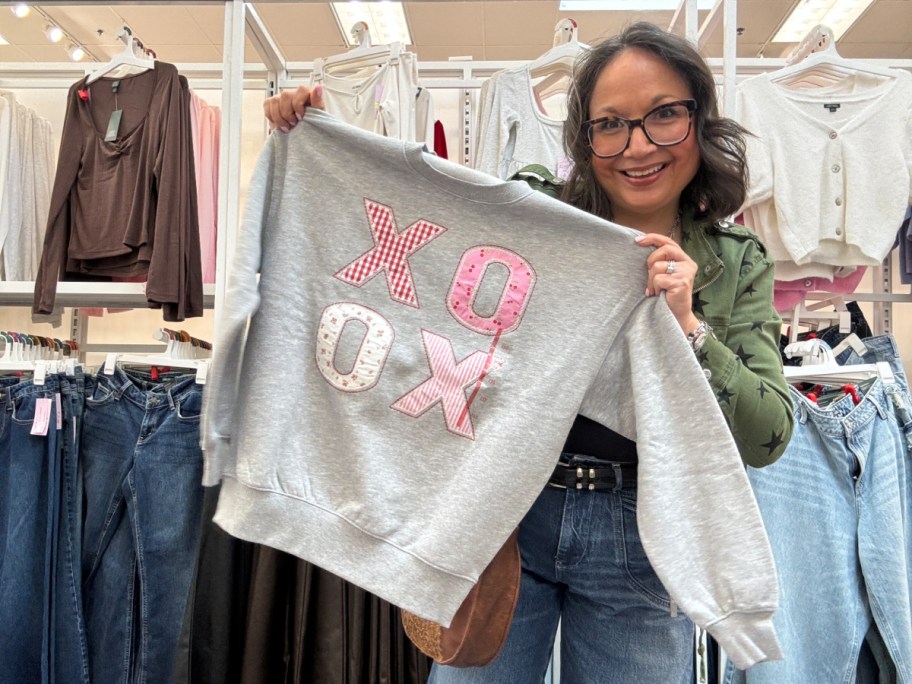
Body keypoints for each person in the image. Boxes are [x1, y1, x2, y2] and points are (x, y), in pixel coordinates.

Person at [263, 21, 794, 684]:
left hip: (646, 536)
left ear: (699, 121)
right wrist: (319, 133)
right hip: (507, 513)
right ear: (584, 136)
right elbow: (416, 214)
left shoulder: (734, 264)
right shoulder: (536, 210)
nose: (638, 146)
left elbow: (768, 436)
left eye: (664, 116)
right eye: (611, 124)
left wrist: (690, 327)